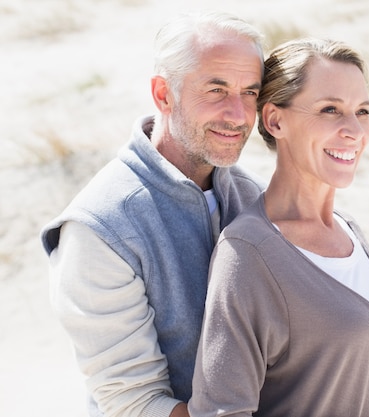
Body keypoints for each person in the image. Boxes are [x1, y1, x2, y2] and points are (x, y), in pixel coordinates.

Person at [40, 11, 266, 417]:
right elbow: (137, 403)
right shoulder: (100, 229)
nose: (238, 114)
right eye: (216, 90)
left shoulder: (254, 196)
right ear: (164, 94)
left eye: (250, 92)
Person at [188, 38, 369, 417]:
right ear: (275, 120)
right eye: (330, 110)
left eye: (363, 111)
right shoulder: (248, 253)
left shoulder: (348, 230)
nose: (354, 130)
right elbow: (221, 410)